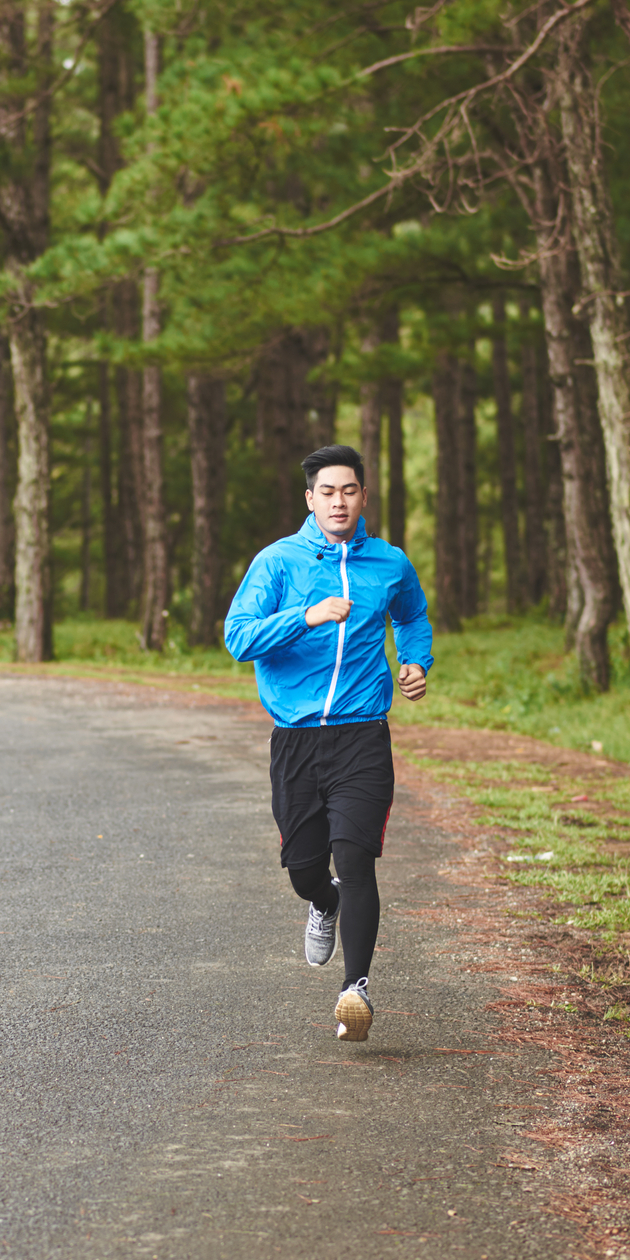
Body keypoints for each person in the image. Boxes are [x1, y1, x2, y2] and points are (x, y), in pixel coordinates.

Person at [222, 444, 432, 1041]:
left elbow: (412, 616)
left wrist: (416, 661)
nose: (339, 501)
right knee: (305, 867)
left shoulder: (389, 564)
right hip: (296, 739)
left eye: (349, 490)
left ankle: (355, 989)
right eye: (327, 492)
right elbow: (238, 638)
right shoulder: (278, 563)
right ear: (310, 499)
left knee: (357, 857)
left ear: (363, 496)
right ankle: (322, 901)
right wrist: (307, 617)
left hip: (363, 735)